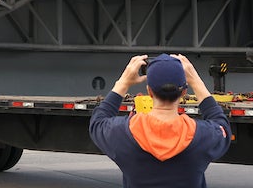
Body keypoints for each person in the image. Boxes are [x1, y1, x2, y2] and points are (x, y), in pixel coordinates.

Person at [89, 53, 231, 188]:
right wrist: (196, 81)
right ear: (184, 92)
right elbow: (221, 124)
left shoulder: (122, 133)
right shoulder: (202, 135)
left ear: (149, 91)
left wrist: (123, 83)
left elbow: (98, 122)